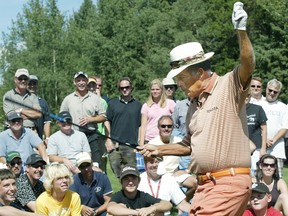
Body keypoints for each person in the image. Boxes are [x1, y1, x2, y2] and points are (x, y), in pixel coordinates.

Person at [139, 2, 254, 215]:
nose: (178, 85)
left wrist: (241, 32)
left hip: (228, 183)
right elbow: (187, 146)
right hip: (205, 187)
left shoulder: (228, 86)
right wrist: (158, 149)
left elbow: (248, 65)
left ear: (200, 72)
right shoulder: (193, 105)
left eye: (181, 78)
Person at [60, 71, 106, 169]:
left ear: (87, 81)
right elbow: (61, 118)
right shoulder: (68, 99)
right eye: (78, 80)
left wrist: (91, 119)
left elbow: (103, 117)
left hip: (92, 135)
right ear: (74, 82)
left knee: (95, 165)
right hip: (74, 137)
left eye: (83, 80)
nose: (81, 82)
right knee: (76, 165)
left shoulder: (95, 98)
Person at [105, 77, 142, 178]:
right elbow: (107, 121)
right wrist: (108, 140)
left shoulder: (138, 105)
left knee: (132, 174)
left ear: (131, 88)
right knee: (117, 173)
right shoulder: (112, 104)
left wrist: (140, 142)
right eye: (122, 88)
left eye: (127, 87)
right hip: (115, 146)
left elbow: (141, 125)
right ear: (119, 89)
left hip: (131, 146)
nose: (125, 89)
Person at [107, 164, 172, 215]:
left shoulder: (142, 196)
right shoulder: (119, 195)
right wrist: (136, 213)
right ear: (121, 182)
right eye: (126, 179)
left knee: (159, 212)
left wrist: (151, 208)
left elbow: (168, 204)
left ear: (139, 181)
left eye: (133, 179)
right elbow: (110, 208)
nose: (130, 183)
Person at [260, 79, 288, 178]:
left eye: (275, 92)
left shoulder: (283, 107)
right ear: (266, 88)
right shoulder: (258, 104)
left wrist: (273, 141)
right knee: (258, 179)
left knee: (278, 179)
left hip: (277, 150)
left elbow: (285, 127)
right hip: (259, 149)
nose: (272, 93)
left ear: (279, 93)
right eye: (270, 90)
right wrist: (264, 140)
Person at [139, 79, 175, 146]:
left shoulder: (170, 103)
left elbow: (175, 121)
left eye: (157, 89)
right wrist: (141, 144)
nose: (155, 91)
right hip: (149, 140)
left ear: (162, 90)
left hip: (165, 140)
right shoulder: (146, 106)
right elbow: (143, 126)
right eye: (153, 89)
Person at [87, 76, 109, 172]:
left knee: (101, 163)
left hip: (100, 136)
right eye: (89, 85)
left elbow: (106, 119)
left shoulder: (102, 101)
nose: (92, 88)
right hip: (87, 136)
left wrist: (108, 139)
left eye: (94, 85)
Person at [245, 92, 268, 175]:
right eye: (243, 95)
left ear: (250, 96)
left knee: (256, 174)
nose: (245, 98)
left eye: (248, 95)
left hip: (257, 148)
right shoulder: (235, 109)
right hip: (241, 148)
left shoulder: (257, 109)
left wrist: (263, 149)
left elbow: (264, 129)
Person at [27, 75, 51, 145]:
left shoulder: (43, 102)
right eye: (29, 84)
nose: (32, 86)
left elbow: (47, 122)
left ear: (37, 85)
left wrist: (47, 138)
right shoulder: (21, 101)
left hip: (38, 140)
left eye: (34, 84)